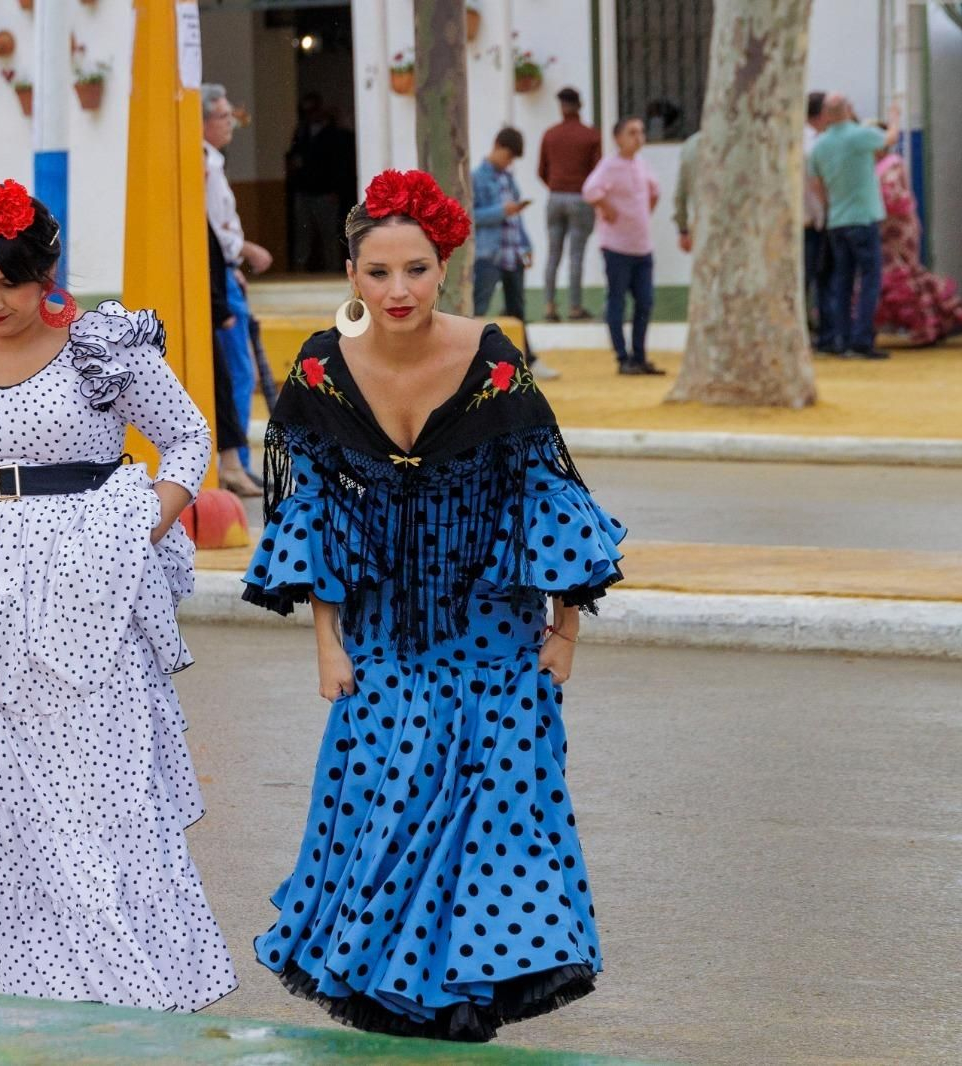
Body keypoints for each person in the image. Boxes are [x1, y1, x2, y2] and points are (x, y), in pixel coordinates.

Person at [243, 168, 626, 1043]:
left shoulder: (494, 360)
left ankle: (466, 1003)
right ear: (351, 275)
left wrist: (564, 636)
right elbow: (314, 517)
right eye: (378, 273)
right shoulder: (318, 370)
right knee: (384, 816)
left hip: (494, 633)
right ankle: (401, 996)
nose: (398, 290)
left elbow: (546, 499)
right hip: (379, 634)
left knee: (492, 827)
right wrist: (326, 646)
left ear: (443, 268)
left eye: (415, 269)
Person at [0, 173, 236, 1011]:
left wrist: (146, 524)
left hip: (82, 587)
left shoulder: (100, 345)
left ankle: (119, 982)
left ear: (45, 275)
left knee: (89, 791)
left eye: (11, 284)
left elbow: (185, 435)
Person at [203, 83, 273, 481]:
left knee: (239, 370)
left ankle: (237, 461)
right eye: (223, 116)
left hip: (227, 272)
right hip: (223, 276)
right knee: (238, 371)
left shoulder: (213, 162)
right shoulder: (205, 166)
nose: (230, 124)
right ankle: (237, 462)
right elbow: (213, 230)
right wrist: (245, 249)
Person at [810, 93, 899, 359]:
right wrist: (895, 118)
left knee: (842, 281)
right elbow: (889, 140)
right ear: (848, 109)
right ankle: (862, 339)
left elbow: (816, 184)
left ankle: (841, 338)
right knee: (870, 279)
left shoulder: (820, 145)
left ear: (826, 114)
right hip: (863, 217)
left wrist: (831, 205)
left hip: (837, 219)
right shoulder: (859, 135)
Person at [472, 128, 559, 380]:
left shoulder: (509, 180)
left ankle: (526, 360)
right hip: (489, 254)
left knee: (517, 311)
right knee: (478, 307)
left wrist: (526, 245)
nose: (509, 162)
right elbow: (471, 216)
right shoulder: (477, 178)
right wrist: (501, 211)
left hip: (512, 254)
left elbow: (517, 220)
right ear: (497, 146)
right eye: (508, 156)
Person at [582, 116, 663, 375]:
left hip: (642, 247)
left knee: (645, 302)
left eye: (641, 132)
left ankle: (639, 356)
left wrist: (642, 215)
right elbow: (590, 190)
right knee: (617, 301)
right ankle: (622, 357)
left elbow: (655, 191)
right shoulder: (610, 165)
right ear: (618, 138)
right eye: (632, 132)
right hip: (616, 247)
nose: (638, 137)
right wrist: (609, 209)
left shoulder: (641, 164)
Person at [875, 154, 962, 346]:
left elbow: (895, 197)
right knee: (898, 276)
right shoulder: (879, 166)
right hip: (887, 228)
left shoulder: (892, 165)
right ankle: (931, 322)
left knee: (904, 275)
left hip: (897, 228)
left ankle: (926, 325)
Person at [537, 87, 601, 323]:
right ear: (580, 105)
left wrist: (557, 185)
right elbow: (597, 175)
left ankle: (549, 306)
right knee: (576, 255)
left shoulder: (550, 134)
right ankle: (575, 307)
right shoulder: (592, 136)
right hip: (580, 198)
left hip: (555, 197)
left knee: (553, 254)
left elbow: (541, 171)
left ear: (561, 106)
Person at [208, 220, 261, 496]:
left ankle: (235, 463)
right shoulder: (192, 196)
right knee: (233, 379)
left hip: (220, 287)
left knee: (232, 380)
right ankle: (234, 463)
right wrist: (219, 307)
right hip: (214, 300)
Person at [286, 93, 348, 273]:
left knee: (328, 234)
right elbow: (293, 154)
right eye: (305, 111)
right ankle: (299, 269)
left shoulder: (334, 133)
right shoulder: (301, 131)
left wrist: (336, 191)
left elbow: (340, 164)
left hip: (325, 192)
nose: (309, 115)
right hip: (304, 190)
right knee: (302, 234)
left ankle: (334, 270)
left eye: (312, 110)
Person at [803, 91, 831, 339]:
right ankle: (819, 331)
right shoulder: (814, 144)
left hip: (803, 220)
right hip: (812, 220)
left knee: (806, 278)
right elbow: (815, 186)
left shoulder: (798, 139)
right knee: (816, 276)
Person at [672, 129, 701, 253]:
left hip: (703, 224)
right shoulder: (747, 141)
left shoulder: (692, 144)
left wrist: (683, 229)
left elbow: (680, 194)